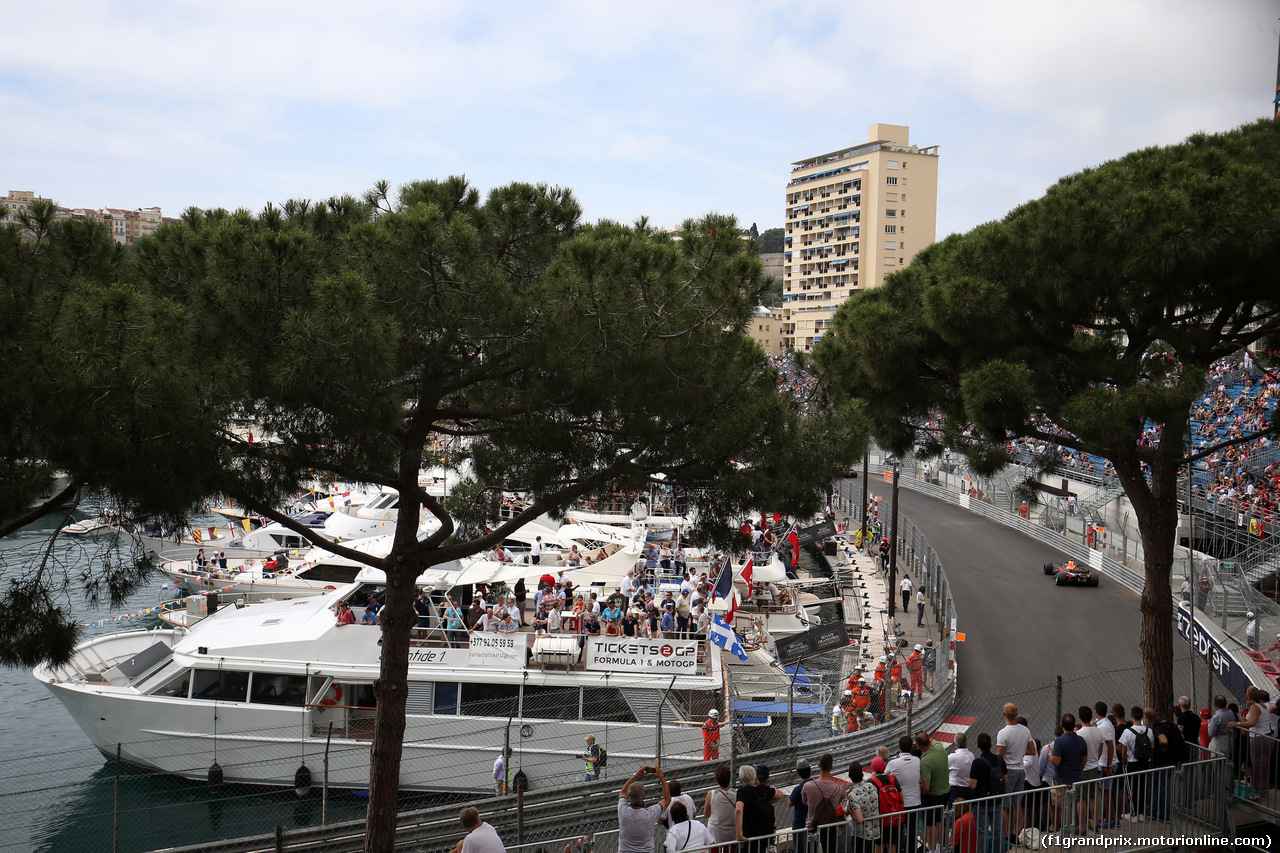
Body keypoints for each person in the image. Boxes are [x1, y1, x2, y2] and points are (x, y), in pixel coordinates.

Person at [1229, 686, 1275, 803]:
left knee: (1257, 766)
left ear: (1249, 696)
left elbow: (1252, 722)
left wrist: (1237, 723)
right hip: (1266, 736)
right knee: (1263, 766)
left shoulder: (1255, 707)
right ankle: (1261, 791)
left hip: (1258, 738)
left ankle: (1257, 793)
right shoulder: (1263, 706)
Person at [619, 765, 670, 853]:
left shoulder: (623, 810)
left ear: (629, 796)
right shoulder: (650, 814)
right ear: (644, 797)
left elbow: (623, 792)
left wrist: (636, 775)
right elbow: (667, 799)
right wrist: (661, 777)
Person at [735, 763, 784, 853]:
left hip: (748, 839)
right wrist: (768, 800)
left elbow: (738, 810)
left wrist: (739, 835)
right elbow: (780, 794)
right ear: (755, 779)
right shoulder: (763, 790)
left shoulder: (742, 792)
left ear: (741, 781)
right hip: (764, 840)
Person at [917, 730, 951, 851]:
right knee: (939, 821)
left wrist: (918, 793)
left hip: (932, 796)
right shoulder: (939, 747)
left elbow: (926, 787)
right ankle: (939, 847)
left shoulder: (925, 761)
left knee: (930, 825)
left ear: (919, 746)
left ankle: (932, 848)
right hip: (945, 792)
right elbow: (933, 741)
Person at [843, 760, 880, 853]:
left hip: (861, 834)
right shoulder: (871, 786)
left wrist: (850, 808)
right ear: (862, 773)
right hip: (875, 830)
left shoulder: (853, 795)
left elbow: (859, 819)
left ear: (849, 776)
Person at [704, 764, 738, 847]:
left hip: (715, 833)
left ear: (717, 780)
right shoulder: (737, 794)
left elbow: (706, 814)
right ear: (729, 778)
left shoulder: (711, 794)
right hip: (732, 832)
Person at [788, 758, 812, 853]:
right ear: (810, 770)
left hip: (800, 823)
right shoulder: (815, 784)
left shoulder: (798, 789)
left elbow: (789, 803)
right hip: (812, 821)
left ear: (798, 773)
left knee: (800, 848)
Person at [948, 731, 976, 805]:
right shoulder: (971, 755)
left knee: (954, 813)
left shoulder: (952, 757)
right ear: (966, 743)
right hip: (968, 788)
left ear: (955, 744)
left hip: (956, 790)